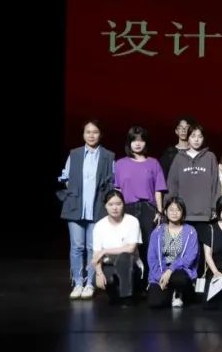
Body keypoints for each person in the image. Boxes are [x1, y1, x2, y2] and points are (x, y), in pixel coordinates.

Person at [58, 119, 116, 300]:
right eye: (88, 132)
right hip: (76, 207)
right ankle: (77, 283)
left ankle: (90, 283)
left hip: (97, 208)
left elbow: (112, 182)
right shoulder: (74, 154)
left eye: (95, 132)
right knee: (77, 247)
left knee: (92, 247)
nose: (91, 135)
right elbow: (66, 177)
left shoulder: (108, 156)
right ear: (83, 134)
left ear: (101, 134)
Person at [114, 125, 167, 268]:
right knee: (127, 245)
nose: (137, 143)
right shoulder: (120, 164)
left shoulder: (153, 163)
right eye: (134, 140)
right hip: (127, 209)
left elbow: (158, 190)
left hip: (148, 209)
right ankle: (130, 278)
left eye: (141, 140)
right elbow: (117, 190)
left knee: (149, 246)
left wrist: (159, 211)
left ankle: (150, 277)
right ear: (129, 142)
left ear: (146, 142)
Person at [146, 197, 200, 308]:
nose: (174, 213)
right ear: (165, 211)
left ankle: (178, 293)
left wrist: (170, 270)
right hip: (161, 271)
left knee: (180, 279)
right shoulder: (157, 232)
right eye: (171, 210)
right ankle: (171, 292)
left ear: (183, 212)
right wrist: (160, 276)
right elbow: (152, 258)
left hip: (180, 271)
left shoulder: (190, 231)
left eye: (178, 210)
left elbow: (190, 257)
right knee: (155, 303)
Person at [91, 189, 141, 306]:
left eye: (118, 204)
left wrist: (105, 250)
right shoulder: (99, 226)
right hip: (108, 264)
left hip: (130, 266)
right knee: (101, 279)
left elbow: (130, 249)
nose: (115, 208)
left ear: (123, 204)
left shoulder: (132, 221)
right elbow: (96, 254)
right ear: (105, 206)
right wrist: (99, 273)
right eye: (111, 204)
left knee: (124, 257)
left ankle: (126, 296)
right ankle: (115, 295)